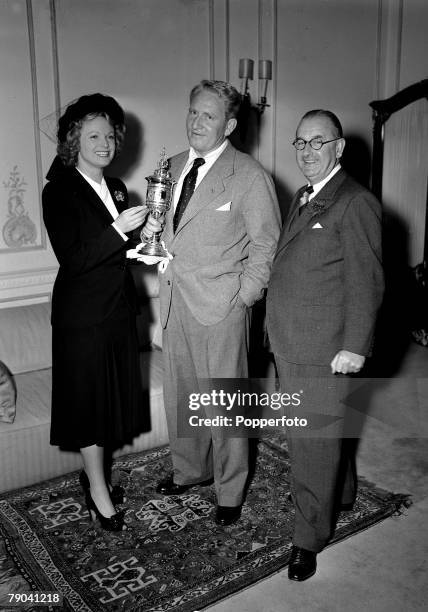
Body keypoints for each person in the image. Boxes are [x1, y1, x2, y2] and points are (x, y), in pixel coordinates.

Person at [143, 80, 281, 526]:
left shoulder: (250, 176)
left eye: (208, 115)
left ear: (230, 124)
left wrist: (243, 297)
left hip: (221, 306)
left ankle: (230, 489)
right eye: (192, 111)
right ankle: (190, 470)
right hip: (173, 301)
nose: (196, 122)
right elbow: (165, 227)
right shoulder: (172, 165)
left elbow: (267, 246)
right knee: (182, 396)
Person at [266, 110, 384, 580]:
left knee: (310, 440)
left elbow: (367, 281)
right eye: (300, 142)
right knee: (325, 432)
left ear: (339, 148)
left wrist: (355, 345)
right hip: (292, 337)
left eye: (318, 142)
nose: (307, 152)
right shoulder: (304, 195)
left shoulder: (355, 202)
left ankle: (308, 538)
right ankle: (345, 491)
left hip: (324, 344)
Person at [42, 93, 148, 531]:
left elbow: (115, 254)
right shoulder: (59, 192)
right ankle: (98, 492)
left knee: (108, 406)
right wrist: (118, 230)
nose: (104, 143)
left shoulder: (117, 188)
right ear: (73, 140)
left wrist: (145, 239)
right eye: (92, 135)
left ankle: (95, 479)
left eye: (109, 134)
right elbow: (74, 257)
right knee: (89, 408)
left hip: (118, 311)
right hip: (81, 318)